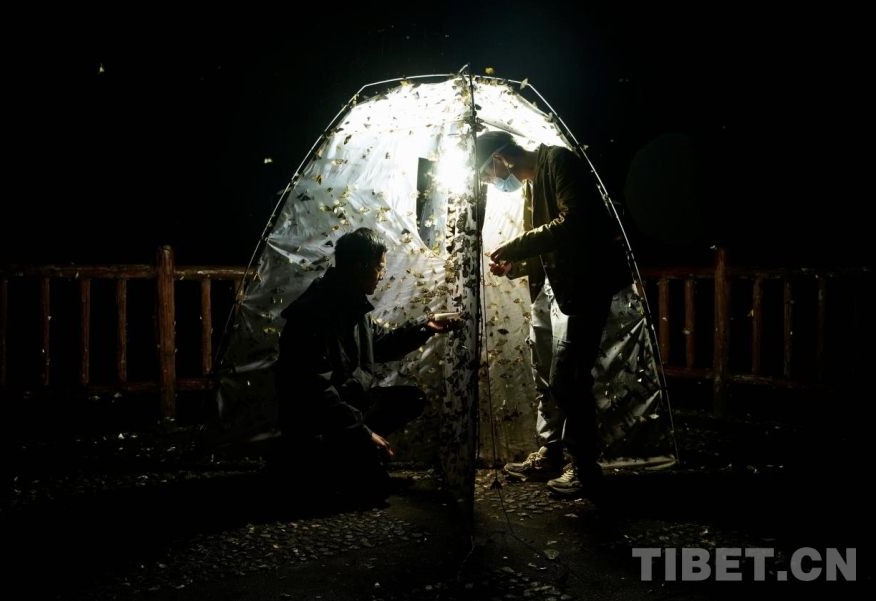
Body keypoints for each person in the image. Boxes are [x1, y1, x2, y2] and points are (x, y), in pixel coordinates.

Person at [476, 130, 632, 497]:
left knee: (569, 377)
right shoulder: (531, 186)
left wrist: (516, 245)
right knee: (545, 371)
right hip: (551, 289)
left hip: (583, 287)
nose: (489, 184)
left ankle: (584, 467)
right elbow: (548, 246)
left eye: (486, 176)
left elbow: (574, 221)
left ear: (499, 158)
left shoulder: (559, 161)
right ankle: (552, 453)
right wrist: (515, 265)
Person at [269, 226, 457, 505]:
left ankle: (350, 460)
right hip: (317, 422)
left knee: (411, 399)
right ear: (360, 268)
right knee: (374, 492)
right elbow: (318, 393)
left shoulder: (352, 304)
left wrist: (424, 328)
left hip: (347, 405)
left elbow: (380, 343)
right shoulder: (313, 314)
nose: (382, 275)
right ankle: (328, 462)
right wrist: (364, 433)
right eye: (380, 267)